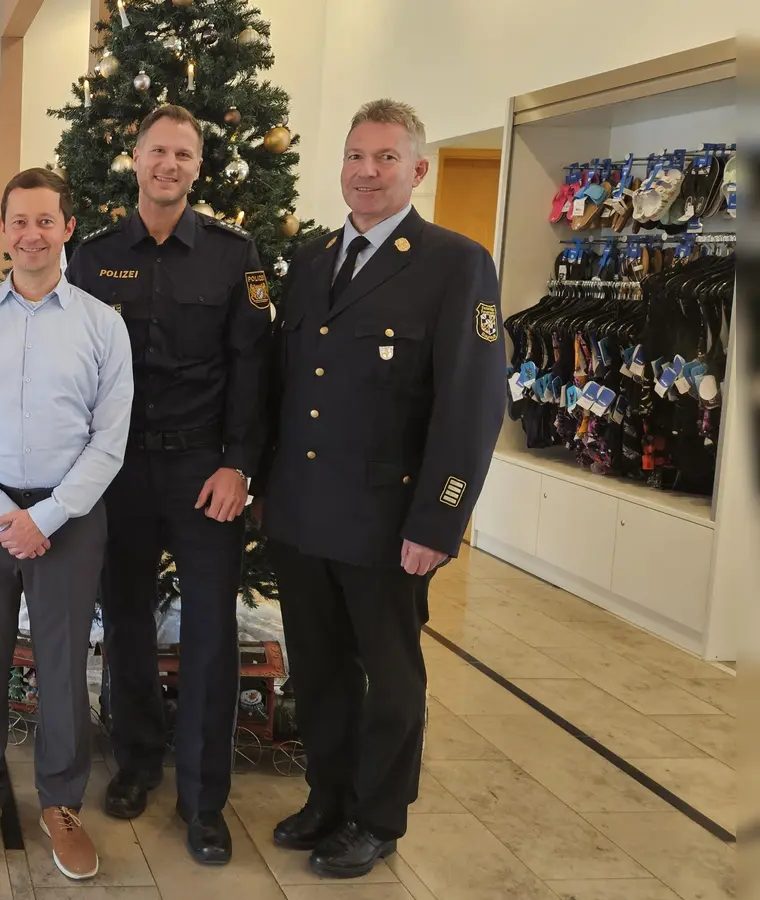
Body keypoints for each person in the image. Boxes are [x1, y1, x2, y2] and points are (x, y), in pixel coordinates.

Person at [258, 98, 505, 878]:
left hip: (387, 522)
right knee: (319, 672)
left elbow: (472, 404)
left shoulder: (454, 264)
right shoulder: (310, 261)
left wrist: (438, 520)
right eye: (356, 156)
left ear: (417, 169)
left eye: (386, 158)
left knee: (390, 682)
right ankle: (327, 798)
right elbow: (286, 388)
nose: (367, 172)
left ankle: (377, 818)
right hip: (303, 515)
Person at [66, 104, 274, 866]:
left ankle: (203, 798)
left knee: (210, 633)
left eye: (183, 154)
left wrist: (239, 465)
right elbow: (71, 366)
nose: (169, 165)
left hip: (202, 471)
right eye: (158, 151)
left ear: (199, 166)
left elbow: (254, 368)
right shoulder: (92, 257)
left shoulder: (233, 255)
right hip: (117, 470)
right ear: (136, 157)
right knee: (124, 621)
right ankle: (136, 762)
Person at [0, 168, 133, 881]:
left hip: (68, 518)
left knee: (61, 663)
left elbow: (109, 439)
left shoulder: (102, 325)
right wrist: (1, 513)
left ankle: (60, 803)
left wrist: (45, 516)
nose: (31, 235)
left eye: (46, 220)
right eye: (19, 221)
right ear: (3, 230)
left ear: (68, 228)